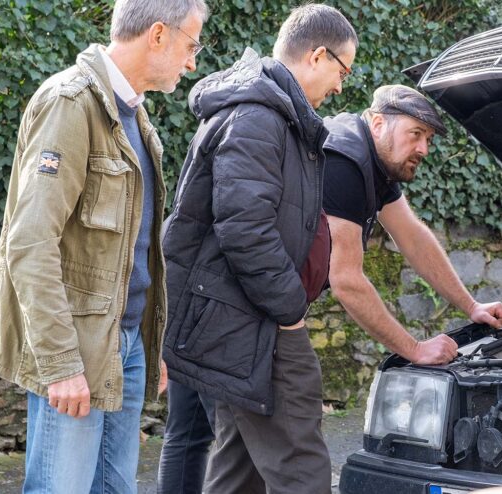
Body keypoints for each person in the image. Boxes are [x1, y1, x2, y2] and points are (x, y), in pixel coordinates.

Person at [0, 0, 208, 491]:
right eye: (192, 45)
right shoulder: (70, 103)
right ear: (158, 34)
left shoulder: (134, 116)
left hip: (125, 344)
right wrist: (60, 364)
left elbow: (133, 250)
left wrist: (149, 344)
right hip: (78, 349)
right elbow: (30, 242)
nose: (193, 62)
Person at [158, 4, 356, 493]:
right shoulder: (258, 118)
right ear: (317, 55)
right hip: (256, 319)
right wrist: (290, 311)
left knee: (239, 468)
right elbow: (245, 228)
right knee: (301, 466)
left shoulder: (271, 114)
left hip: (245, 319)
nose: (340, 87)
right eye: (343, 71)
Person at [322, 85, 502, 365]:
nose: (424, 149)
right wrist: (415, 349)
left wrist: (472, 306)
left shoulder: (375, 163)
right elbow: (346, 280)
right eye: (416, 134)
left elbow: (412, 237)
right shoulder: (345, 162)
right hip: (257, 305)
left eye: (428, 139)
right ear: (378, 124)